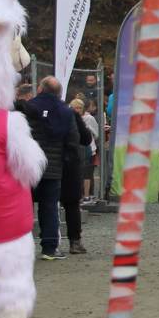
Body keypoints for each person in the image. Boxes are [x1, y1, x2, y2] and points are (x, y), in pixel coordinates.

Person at [25, 77, 78, 261]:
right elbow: (73, 141)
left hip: (28, 166)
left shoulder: (29, 107)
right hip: (53, 167)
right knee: (49, 207)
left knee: (24, 206)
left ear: (41, 89)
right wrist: (66, 161)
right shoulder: (66, 111)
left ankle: (22, 247)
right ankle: (49, 248)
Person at [59, 99, 93, 255]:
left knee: (46, 204)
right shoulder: (71, 114)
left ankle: (49, 244)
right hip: (69, 163)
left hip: (43, 163)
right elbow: (86, 138)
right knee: (72, 204)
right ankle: (75, 241)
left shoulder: (34, 110)